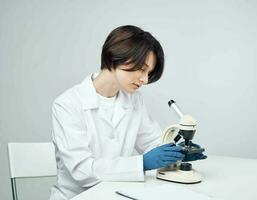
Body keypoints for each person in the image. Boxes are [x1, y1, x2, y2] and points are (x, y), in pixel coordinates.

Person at [49, 25, 206, 200]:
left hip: (117, 194)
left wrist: (176, 152)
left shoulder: (134, 100)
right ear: (117, 57)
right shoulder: (67, 104)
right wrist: (142, 163)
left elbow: (152, 142)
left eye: (148, 72)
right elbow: (82, 171)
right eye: (142, 69)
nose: (145, 79)